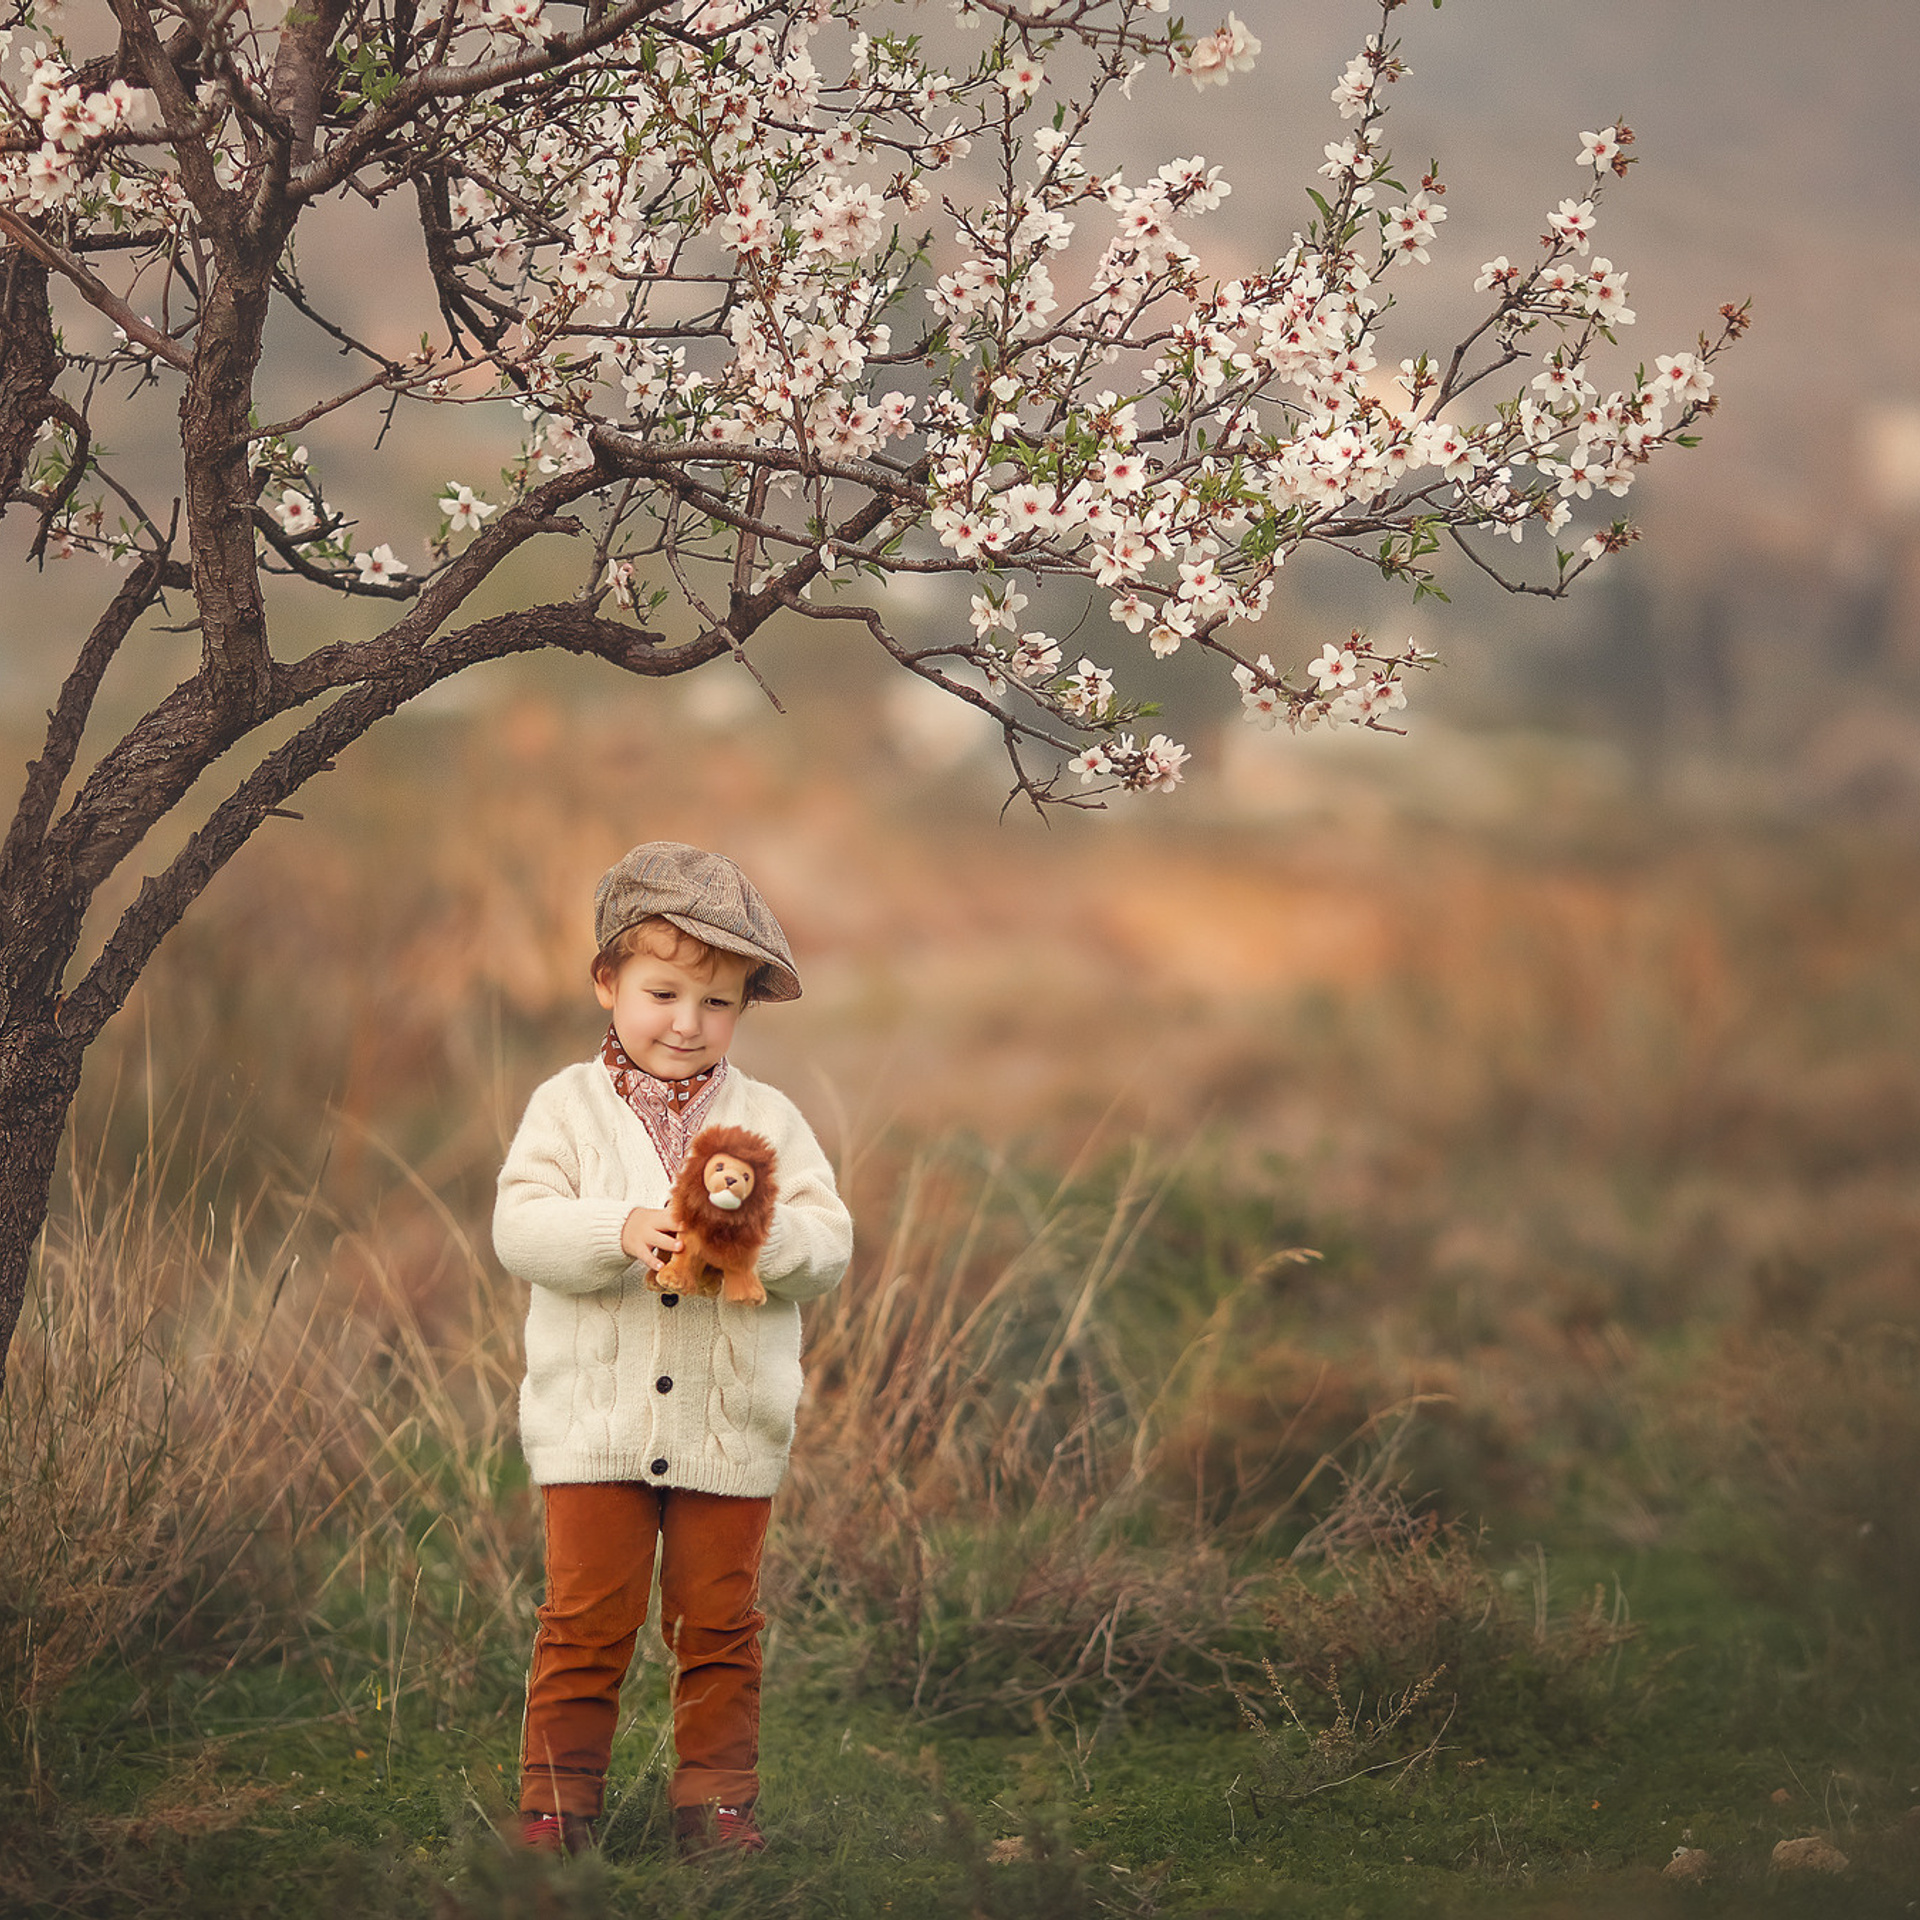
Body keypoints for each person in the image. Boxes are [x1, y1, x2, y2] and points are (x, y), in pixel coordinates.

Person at [493, 841, 852, 1858]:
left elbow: (826, 1248)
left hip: (727, 1431)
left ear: (743, 1009)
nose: (688, 1026)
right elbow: (520, 1228)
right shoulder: (565, 1109)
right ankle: (555, 1812)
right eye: (662, 994)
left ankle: (716, 1807)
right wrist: (615, 1230)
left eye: (719, 1004)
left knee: (719, 1626)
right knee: (583, 1622)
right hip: (592, 1429)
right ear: (607, 983)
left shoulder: (768, 1120)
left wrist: (754, 1240)